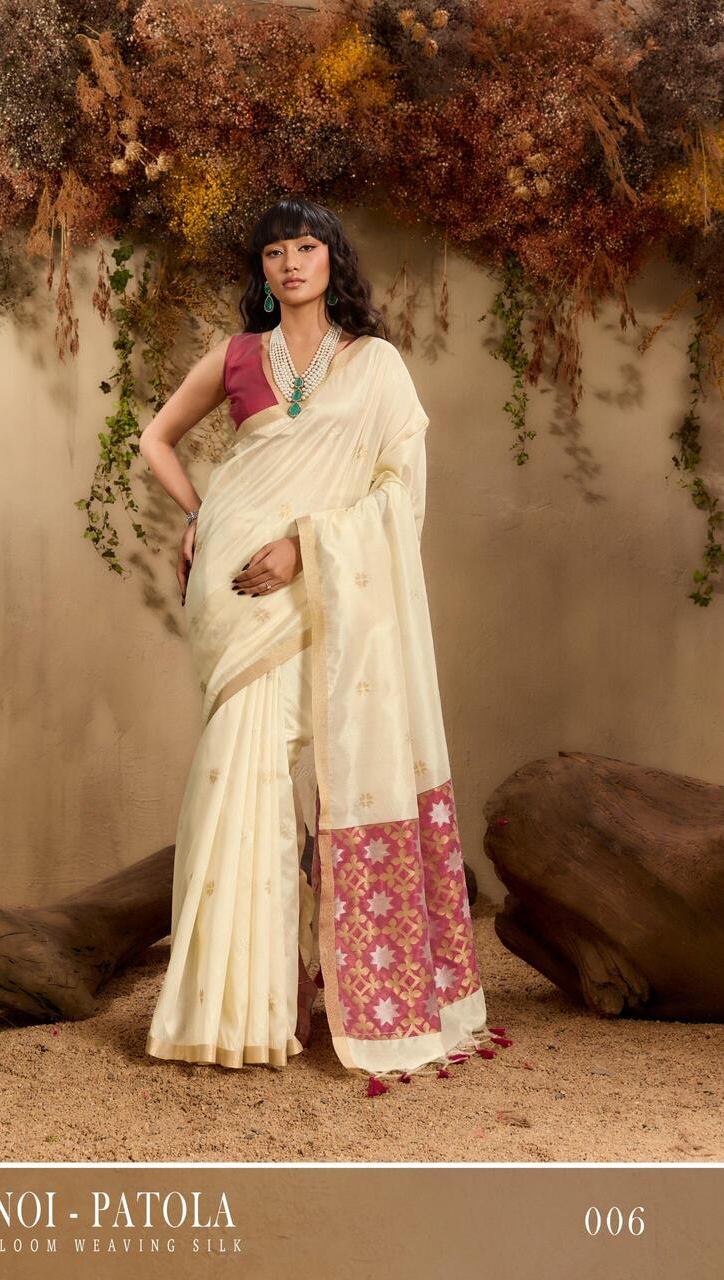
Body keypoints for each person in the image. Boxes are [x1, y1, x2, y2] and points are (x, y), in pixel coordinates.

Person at [139, 195, 496, 1083]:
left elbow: (397, 485)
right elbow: (156, 439)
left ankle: (284, 995)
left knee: (303, 766)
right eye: (274, 253)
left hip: (322, 581)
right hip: (235, 584)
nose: (290, 263)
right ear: (261, 272)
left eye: (305, 247)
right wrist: (202, 514)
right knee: (242, 773)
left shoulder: (375, 364)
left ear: (332, 259)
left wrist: (306, 547)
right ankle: (233, 1012)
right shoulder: (235, 356)